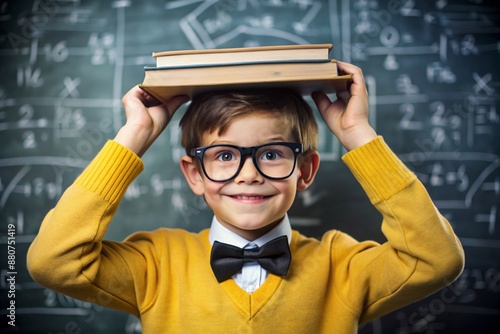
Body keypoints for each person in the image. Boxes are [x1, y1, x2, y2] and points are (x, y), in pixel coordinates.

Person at [27, 62, 464, 333]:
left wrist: (358, 136)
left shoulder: (342, 266)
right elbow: (52, 262)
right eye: (224, 156)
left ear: (306, 170)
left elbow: (437, 259)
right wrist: (133, 138)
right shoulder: (156, 263)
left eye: (272, 154)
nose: (249, 174)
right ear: (194, 174)